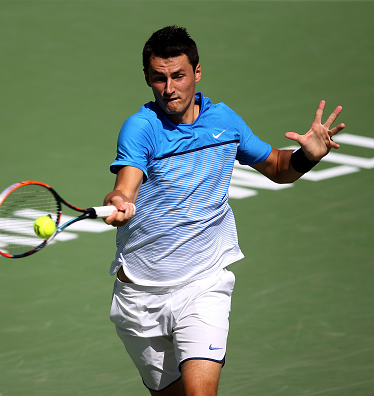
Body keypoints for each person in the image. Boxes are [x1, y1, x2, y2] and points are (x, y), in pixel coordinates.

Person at [102, 25, 344, 396]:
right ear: (148, 79)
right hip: (140, 299)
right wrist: (120, 199)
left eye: (179, 76)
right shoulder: (141, 128)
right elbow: (126, 183)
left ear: (197, 72)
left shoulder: (225, 122)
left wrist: (306, 157)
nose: (170, 89)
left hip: (204, 283)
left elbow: (278, 168)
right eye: (159, 79)